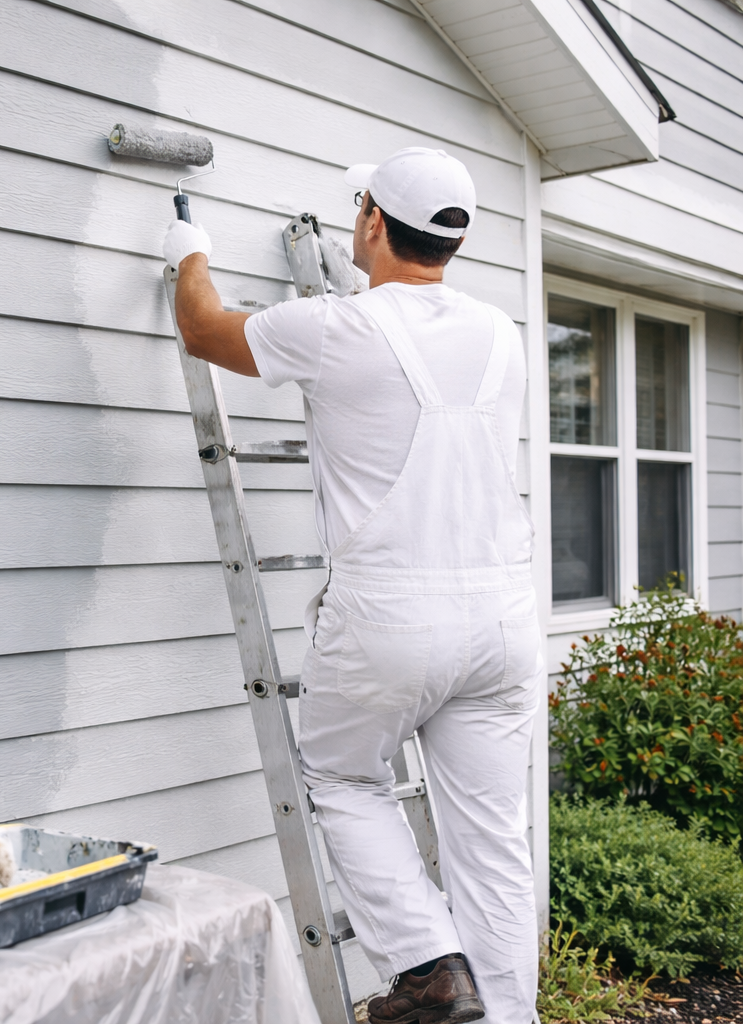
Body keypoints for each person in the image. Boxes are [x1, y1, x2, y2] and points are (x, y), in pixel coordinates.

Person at [163, 147, 540, 1024]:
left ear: (372, 219)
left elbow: (205, 329)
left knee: (340, 777)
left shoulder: (335, 328)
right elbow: (409, 350)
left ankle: (429, 966)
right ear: (455, 238)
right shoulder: (500, 333)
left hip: (392, 616)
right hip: (503, 619)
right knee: (491, 842)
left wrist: (189, 247)